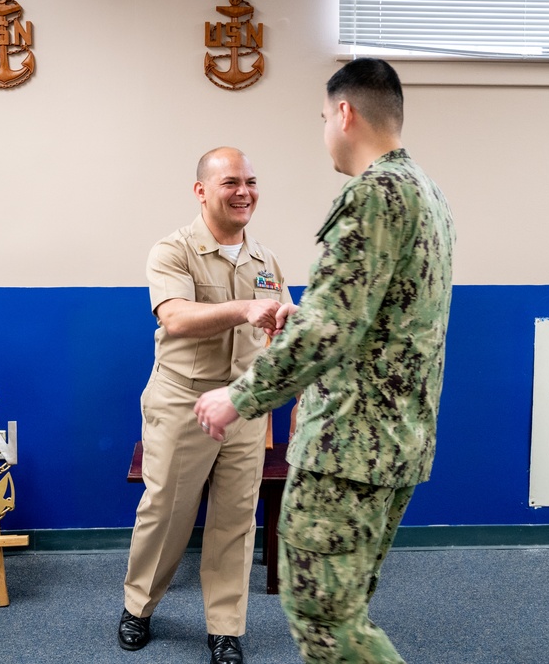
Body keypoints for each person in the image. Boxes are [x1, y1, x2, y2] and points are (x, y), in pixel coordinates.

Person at [194, 58, 455, 663]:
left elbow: (334, 327)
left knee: (327, 625)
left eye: (322, 118)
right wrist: (305, 318)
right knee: (348, 609)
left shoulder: (372, 193)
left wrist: (239, 396)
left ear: (345, 113)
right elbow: (378, 315)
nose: (324, 132)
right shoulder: (425, 191)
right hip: (396, 442)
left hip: (348, 447)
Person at [120, 147, 293, 664]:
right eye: (231, 182)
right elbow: (174, 317)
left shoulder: (265, 259)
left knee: (236, 520)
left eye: (252, 182)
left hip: (243, 405)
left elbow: (277, 324)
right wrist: (245, 308)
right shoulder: (172, 250)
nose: (245, 192)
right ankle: (139, 607)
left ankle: (225, 628)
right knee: (166, 511)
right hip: (182, 401)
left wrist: (289, 324)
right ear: (202, 190)